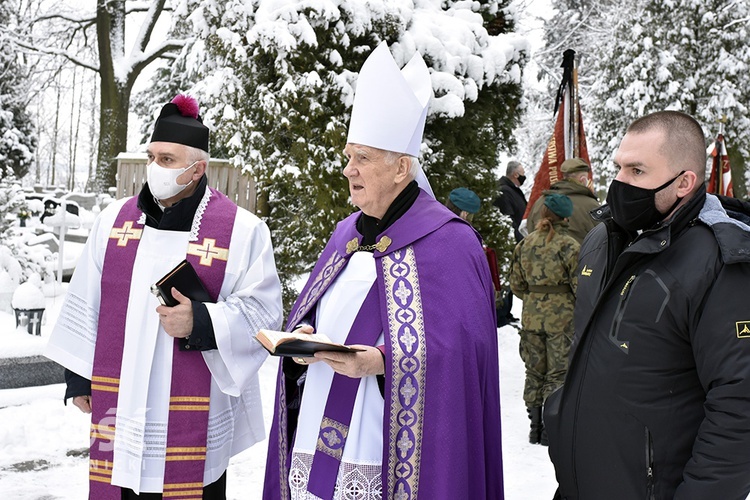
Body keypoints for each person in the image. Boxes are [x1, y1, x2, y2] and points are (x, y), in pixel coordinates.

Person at [263, 42, 503, 500]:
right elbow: (318, 309)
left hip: (389, 448)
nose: (348, 169)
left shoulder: (451, 243)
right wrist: (303, 337)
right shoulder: (344, 234)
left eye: (363, 159)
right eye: (349, 156)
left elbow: (464, 356)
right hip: (319, 423)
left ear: (402, 168)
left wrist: (384, 362)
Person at [44, 95, 283, 499]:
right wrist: (81, 375)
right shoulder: (114, 221)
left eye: (168, 160)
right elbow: (87, 295)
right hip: (120, 408)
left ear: (198, 169)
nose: (155, 168)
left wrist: (202, 322)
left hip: (195, 414)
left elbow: (263, 312)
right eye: (152, 156)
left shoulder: (243, 230)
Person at [544, 110, 750, 499]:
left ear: (684, 182)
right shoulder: (602, 241)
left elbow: (739, 405)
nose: (620, 183)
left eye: (637, 172)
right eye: (619, 167)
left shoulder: (720, 262)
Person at [509, 193, 579, 446]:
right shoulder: (569, 245)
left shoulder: (524, 245)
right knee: (557, 372)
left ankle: (534, 427)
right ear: (565, 217)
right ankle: (550, 427)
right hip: (561, 318)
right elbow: (579, 285)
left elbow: (516, 285)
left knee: (534, 371)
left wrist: (534, 298)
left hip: (531, 316)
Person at [447, 187, 504, 315]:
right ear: (465, 214)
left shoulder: (433, 227)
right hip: (464, 308)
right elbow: (479, 275)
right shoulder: (467, 237)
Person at [525, 157, 600, 244]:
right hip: (579, 257)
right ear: (583, 179)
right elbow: (604, 238)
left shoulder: (540, 202)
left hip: (540, 256)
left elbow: (530, 229)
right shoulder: (591, 206)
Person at [494, 160, 528, 243]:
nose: (524, 176)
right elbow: (508, 219)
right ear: (516, 175)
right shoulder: (504, 191)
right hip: (518, 241)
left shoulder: (514, 190)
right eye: (523, 173)